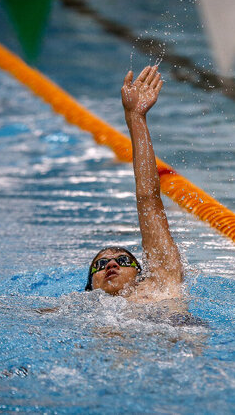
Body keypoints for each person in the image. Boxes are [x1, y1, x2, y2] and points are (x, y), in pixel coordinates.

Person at [85, 65, 183, 303]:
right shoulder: (78, 309)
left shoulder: (159, 286)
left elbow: (148, 198)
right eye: (100, 264)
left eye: (123, 261)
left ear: (141, 274)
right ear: (90, 286)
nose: (110, 264)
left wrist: (136, 118)